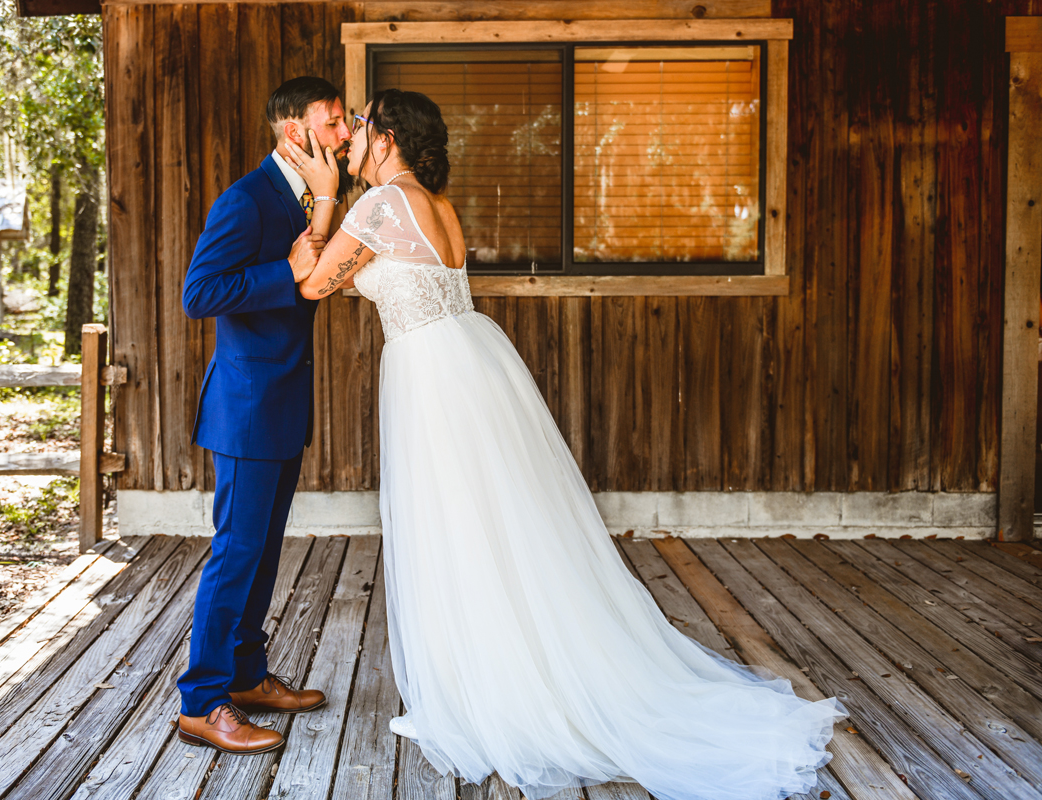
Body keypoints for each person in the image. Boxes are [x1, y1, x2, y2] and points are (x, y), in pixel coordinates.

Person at [285, 88, 847, 800]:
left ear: (387, 136)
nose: (352, 135)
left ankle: (486, 690)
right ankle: (503, 666)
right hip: (468, 362)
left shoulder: (376, 206)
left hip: (432, 377)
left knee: (456, 526)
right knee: (496, 525)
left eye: (360, 124)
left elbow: (310, 284)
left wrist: (324, 196)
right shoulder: (436, 206)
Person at [175, 76, 353, 755]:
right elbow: (200, 293)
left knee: (263, 550)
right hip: (247, 409)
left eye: (342, 122)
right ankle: (202, 701)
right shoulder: (247, 200)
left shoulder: (309, 196)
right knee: (236, 553)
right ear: (293, 132)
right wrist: (283, 270)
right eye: (330, 122)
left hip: (282, 403)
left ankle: (247, 675)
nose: (341, 133)